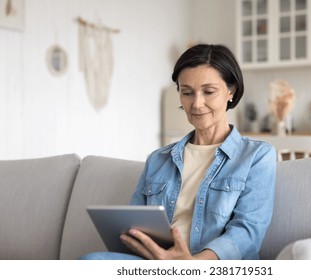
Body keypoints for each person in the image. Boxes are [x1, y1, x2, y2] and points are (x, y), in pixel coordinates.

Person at [81, 44, 276, 260]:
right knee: (91, 262)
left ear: (231, 91)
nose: (197, 103)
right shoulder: (158, 159)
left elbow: (248, 232)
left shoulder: (257, 156)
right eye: (187, 92)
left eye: (209, 92)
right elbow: (133, 225)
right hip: (156, 264)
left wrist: (192, 265)